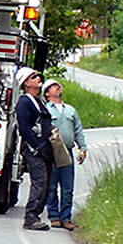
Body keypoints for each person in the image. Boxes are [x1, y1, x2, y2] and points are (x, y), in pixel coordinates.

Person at [43, 80, 88, 230]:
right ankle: (54, 215)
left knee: (67, 186)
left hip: (67, 151)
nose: (57, 88)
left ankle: (66, 217)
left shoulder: (70, 110)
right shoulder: (45, 109)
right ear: (47, 93)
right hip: (52, 151)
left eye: (58, 86)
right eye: (52, 87)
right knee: (51, 186)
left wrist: (82, 147)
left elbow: (78, 130)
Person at [14, 66, 55, 230]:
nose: (38, 78)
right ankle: (30, 218)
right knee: (40, 183)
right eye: (33, 77)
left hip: (45, 149)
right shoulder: (24, 103)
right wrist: (36, 147)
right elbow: (24, 128)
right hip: (35, 150)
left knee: (46, 183)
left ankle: (35, 215)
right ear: (26, 83)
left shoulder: (38, 101)